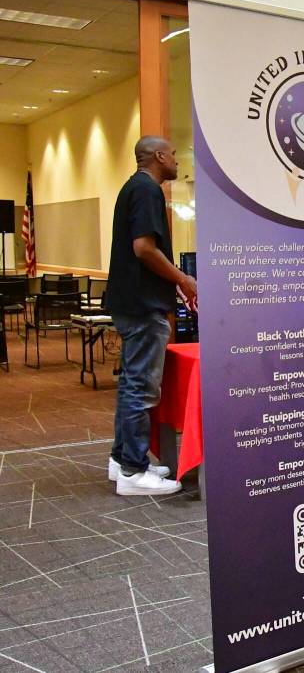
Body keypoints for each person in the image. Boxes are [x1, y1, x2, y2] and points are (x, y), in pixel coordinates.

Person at [106, 136, 197, 496]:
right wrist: (183, 279)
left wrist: (172, 283)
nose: (177, 160)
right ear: (159, 156)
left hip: (131, 301)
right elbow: (144, 248)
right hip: (143, 306)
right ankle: (133, 471)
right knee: (140, 387)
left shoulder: (133, 187)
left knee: (131, 382)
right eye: (173, 154)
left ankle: (123, 459)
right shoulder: (147, 190)